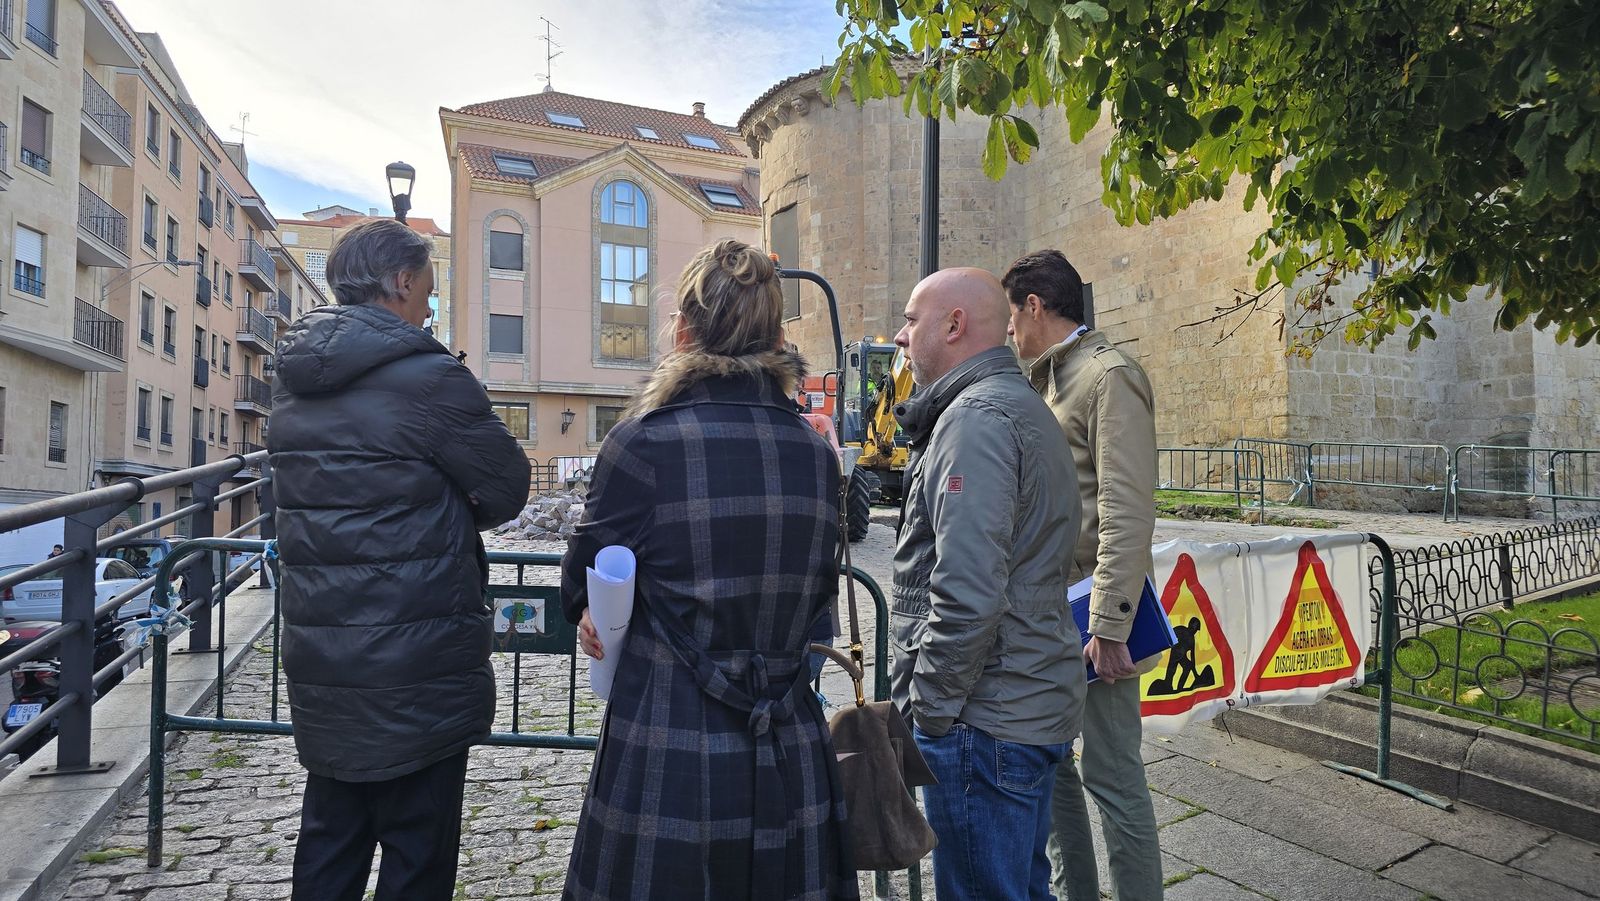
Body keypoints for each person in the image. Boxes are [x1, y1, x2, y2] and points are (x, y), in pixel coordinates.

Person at [561, 239, 854, 900]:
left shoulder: (641, 445)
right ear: (778, 336)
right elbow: (819, 602)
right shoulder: (816, 455)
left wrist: (594, 610)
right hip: (787, 742)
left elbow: (581, 585)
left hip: (669, 746)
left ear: (683, 331)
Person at [269, 218, 531, 901]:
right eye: (429, 291)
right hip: (416, 662)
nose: (431, 307)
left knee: (330, 839)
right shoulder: (429, 377)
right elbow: (506, 487)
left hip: (324, 661)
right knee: (417, 854)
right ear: (404, 281)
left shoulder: (294, 384)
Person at [890, 267, 1085, 900]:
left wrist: (931, 712)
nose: (900, 336)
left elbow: (968, 595)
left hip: (985, 722)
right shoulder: (1013, 406)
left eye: (912, 320)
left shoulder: (975, 419)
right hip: (1016, 707)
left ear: (954, 325)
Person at [1004, 249, 1162, 901]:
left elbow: (1128, 506)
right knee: (1054, 770)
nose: (1009, 332)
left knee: (1112, 775)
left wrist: (1110, 623)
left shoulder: (1107, 375)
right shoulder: (1048, 380)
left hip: (1095, 619)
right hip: (1046, 615)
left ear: (1034, 307)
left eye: (1013, 316)